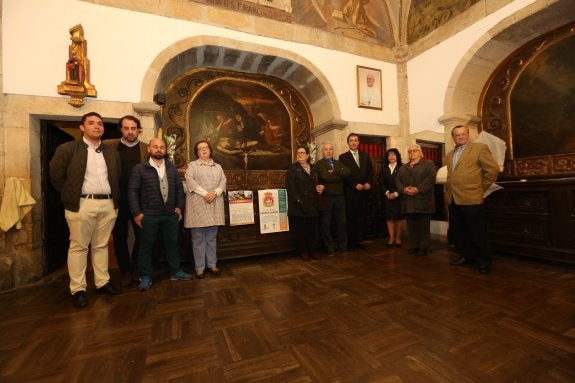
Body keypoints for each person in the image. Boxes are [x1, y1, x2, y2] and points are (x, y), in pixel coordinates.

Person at [49, 112, 122, 309]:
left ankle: (102, 282)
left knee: (101, 246)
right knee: (79, 247)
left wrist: (115, 202)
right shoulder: (68, 148)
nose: (97, 127)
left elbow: (117, 176)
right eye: (91, 123)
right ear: (82, 127)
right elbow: (56, 176)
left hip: (108, 204)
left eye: (100, 123)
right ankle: (78, 289)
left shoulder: (111, 151)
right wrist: (70, 195)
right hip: (82, 204)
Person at [128, 138, 191, 291]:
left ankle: (175, 271)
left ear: (165, 150)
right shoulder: (139, 169)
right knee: (146, 246)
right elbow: (132, 192)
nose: (159, 149)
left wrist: (179, 208)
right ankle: (146, 276)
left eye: (162, 147)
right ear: (149, 149)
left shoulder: (171, 168)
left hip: (170, 215)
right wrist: (137, 213)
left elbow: (179, 190)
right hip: (149, 215)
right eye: (155, 147)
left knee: (172, 244)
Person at [446, 125, 500, 274]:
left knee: (478, 232)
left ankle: (483, 261)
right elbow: (452, 176)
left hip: (472, 197)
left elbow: (493, 169)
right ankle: (466, 256)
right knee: (460, 232)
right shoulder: (450, 154)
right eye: (457, 135)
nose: (460, 137)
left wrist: (481, 188)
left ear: (468, 135)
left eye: (463, 134)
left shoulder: (479, 148)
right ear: (453, 138)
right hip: (454, 198)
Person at [104, 115, 148, 286]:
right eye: (126, 128)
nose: (130, 132)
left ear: (139, 130)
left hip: (139, 200)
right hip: (118, 199)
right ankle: (125, 271)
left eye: (133, 128)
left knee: (142, 235)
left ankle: (136, 268)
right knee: (119, 236)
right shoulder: (108, 146)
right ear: (121, 129)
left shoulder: (146, 148)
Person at [184, 140, 227, 279]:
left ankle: (212, 265)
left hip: (214, 206)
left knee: (211, 238)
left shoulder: (218, 167)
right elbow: (190, 181)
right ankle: (200, 268)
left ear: (210, 150)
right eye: (200, 149)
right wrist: (206, 194)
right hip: (198, 207)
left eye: (205, 148)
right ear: (197, 152)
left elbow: (223, 181)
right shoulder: (192, 166)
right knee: (198, 238)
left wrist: (215, 193)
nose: (203, 150)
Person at [396, 144, 436, 256]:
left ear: (420, 152)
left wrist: (418, 189)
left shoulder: (429, 164)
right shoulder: (403, 167)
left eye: (414, 151)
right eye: (410, 151)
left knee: (423, 226)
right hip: (408, 202)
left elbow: (430, 179)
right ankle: (414, 246)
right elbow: (397, 180)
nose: (412, 153)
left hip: (423, 201)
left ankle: (423, 247)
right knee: (412, 226)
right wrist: (403, 189)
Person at [286, 146, 325, 262]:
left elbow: (320, 181)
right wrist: (299, 201)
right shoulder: (292, 168)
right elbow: (291, 188)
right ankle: (303, 252)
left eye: (302, 153)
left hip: (313, 204)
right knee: (300, 231)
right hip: (299, 206)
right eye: (298, 153)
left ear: (308, 155)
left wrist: (321, 186)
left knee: (312, 230)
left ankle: (314, 251)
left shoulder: (314, 168)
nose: (300, 155)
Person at [339, 133, 373, 250]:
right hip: (351, 194)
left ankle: (359, 241)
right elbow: (343, 175)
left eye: (355, 140)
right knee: (351, 218)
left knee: (361, 218)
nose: (353, 142)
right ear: (348, 143)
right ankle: (351, 243)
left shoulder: (365, 156)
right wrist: (354, 184)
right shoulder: (343, 157)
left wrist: (368, 182)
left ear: (359, 142)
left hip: (364, 193)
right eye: (351, 141)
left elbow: (370, 172)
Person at [315, 142, 351, 256]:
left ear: (333, 151)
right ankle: (330, 248)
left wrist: (333, 172)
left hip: (340, 197)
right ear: (322, 152)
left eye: (330, 149)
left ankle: (342, 247)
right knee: (326, 223)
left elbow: (347, 172)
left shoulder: (338, 162)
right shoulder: (319, 164)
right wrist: (337, 175)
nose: (328, 151)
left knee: (342, 223)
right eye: (326, 149)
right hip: (327, 198)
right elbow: (325, 176)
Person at [381, 148, 403, 247]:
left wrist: (396, 194)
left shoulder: (402, 168)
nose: (391, 156)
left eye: (393, 155)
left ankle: (398, 238)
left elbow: (404, 183)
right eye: (389, 155)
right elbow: (381, 183)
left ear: (397, 156)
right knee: (389, 218)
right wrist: (387, 193)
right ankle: (391, 238)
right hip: (388, 197)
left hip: (399, 197)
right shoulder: (384, 169)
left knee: (398, 218)